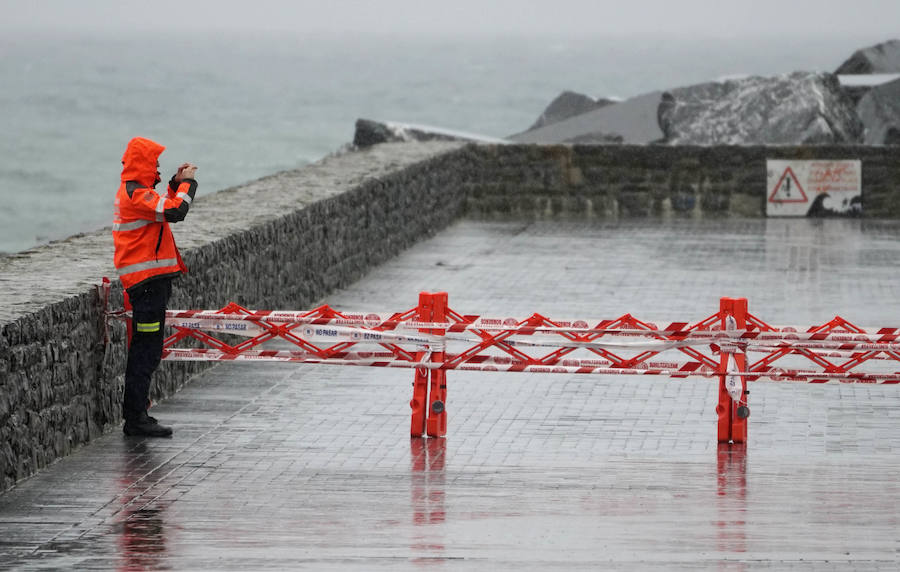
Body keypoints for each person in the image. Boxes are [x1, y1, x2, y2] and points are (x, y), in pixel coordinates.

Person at [113, 136, 197, 437]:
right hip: (146, 286)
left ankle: (138, 415)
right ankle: (136, 419)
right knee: (145, 352)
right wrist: (188, 184)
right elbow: (175, 212)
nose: (158, 166)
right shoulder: (136, 195)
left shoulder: (139, 192)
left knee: (147, 350)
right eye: (155, 162)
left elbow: (162, 206)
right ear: (144, 163)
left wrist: (174, 184)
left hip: (149, 285)